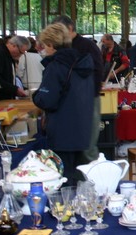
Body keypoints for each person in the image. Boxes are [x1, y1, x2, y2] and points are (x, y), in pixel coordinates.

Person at [33, 23, 94, 185]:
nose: (44, 49)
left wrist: (35, 96)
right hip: (82, 130)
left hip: (62, 132)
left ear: (52, 45)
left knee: (62, 179)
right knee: (77, 178)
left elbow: (47, 100)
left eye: (45, 45)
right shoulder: (84, 64)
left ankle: (63, 209)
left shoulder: (56, 66)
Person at [52, 15, 104, 164]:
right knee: (73, 146)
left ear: (69, 28)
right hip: (69, 104)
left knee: (88, 146)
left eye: (59, 30)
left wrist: (85, 97)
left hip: (88, 101)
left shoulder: (86, 46)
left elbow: (97, 74)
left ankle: (95, 182)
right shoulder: (62, 46)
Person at [0, 35, 29, 103]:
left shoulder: (8, 56)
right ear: (13, 45)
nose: (20, 55)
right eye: (20, 52)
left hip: (6, 98)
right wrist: (15, 89)